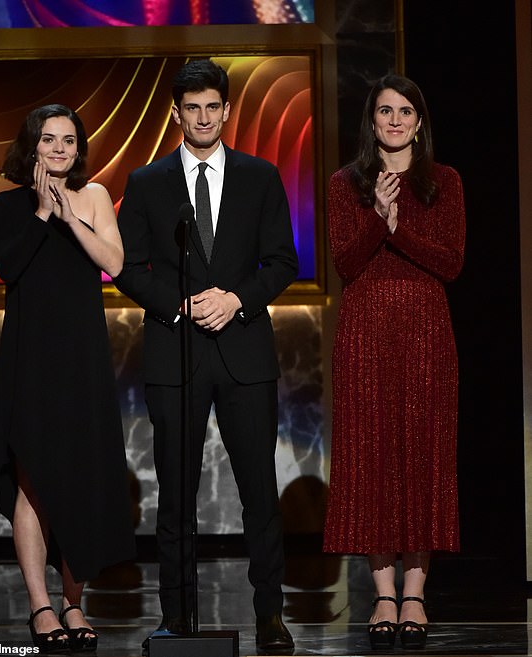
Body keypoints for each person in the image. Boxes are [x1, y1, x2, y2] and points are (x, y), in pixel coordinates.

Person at [113, 59, 299, 655]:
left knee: (259, 493)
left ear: (226, 110)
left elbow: (282, 262)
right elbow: (127, 269)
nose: (202, 117)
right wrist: (183, 304)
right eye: (190, 108)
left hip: (245, 352)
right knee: (176, 495)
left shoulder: (261, 177)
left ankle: (270, 616)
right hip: (177, 352)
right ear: (177, 113)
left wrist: (237, 299)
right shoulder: (146, 183)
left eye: (211, 107)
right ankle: (177, 618)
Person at [322, 74, 466, 650]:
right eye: (386, 111)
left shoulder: (445, 182)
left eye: (406, 111)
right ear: (372, 121)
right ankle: (382, 592)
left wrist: (395, 225)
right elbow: (346, 264)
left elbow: (451, 262)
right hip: (364, 334)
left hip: (427, 332)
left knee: (422, 454)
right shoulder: (344, 184)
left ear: (419, 121)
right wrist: (373, 216)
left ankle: (414, 593)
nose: (396, 120)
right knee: (373, 455)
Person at [0, 104, 136, 653]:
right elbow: (9, 266)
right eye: (48, 140)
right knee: (33, 480)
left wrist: (72, 216)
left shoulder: (95, 196)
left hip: (82, 357)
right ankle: (40, 606)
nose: (58, 150)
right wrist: (44, 214)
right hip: (30, 357)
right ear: (31, 146)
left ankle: (75, 603)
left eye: (68, 141)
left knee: (82, 478)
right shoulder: (6, 206)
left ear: (79, 149)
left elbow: (115, 265)